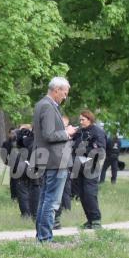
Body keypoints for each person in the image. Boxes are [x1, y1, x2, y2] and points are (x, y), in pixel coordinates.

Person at [32, 77, 77, 243]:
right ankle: (45, 238)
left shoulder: (41, 105)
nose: (65, 97)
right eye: (64, 93)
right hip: (55, 160)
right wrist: (67, 133)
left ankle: (42, 237)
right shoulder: (48, 106)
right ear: (56, 90)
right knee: (51, 202)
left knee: (45, 200)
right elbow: (49, 135)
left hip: (49, 159)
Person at [73, 110, 107, 229]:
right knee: (82, 193)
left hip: (92, 164)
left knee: (89, 193)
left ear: (90, 119)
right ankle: (90, 220)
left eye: (83, 119)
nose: (81, 122)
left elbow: (100, 149)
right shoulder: (80, 132)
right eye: (80, 119)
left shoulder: (97, 131)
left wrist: (85, 151)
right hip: (79, 165)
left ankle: (96, 220)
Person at [54, 115, 75, 230]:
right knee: (55, 193)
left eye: (65, 125)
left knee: (61, 192)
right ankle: (55, 219)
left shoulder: (68, 136)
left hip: (63, 165)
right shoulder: (59, 135)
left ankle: (57, 219)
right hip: (54, 165)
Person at [1, 128, 18, 201]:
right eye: (11, 133)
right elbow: (3, 153)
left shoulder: (20, 141)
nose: (13, 135)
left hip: (23, 163)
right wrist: (6, 162)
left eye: (14, 133)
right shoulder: (6, 143)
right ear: (9, 134)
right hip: (13, 164)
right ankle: (14, 197)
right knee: (13, 181)